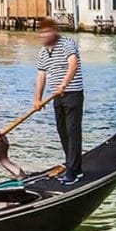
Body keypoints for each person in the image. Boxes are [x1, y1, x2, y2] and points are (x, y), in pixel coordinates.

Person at [32, 17, 84, 182]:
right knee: (62, 132)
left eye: (47, 31)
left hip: (73, 93)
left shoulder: (67, 43)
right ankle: (74, 167)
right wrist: (38, 99)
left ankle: (72, 172)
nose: (45, 35)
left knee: (72, 132)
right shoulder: (43, 52)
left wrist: (64, 84)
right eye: (42, 32)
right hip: (57, 97)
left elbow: (73, 64)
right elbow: (41, 76)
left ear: (54, 31)